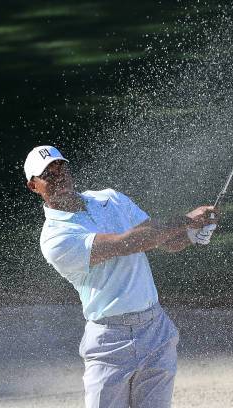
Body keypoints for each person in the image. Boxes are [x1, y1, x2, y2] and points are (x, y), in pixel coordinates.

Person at [24, 145, 217, 408]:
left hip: (155, 331)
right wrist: (185, 220)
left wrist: (192, 235)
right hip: (109, 342)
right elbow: (125, 244)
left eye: (61, 169)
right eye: (48, 174)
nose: (59, 177)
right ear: (33, 186)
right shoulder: (55, 238)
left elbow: (159, 240)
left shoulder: (110, 198)